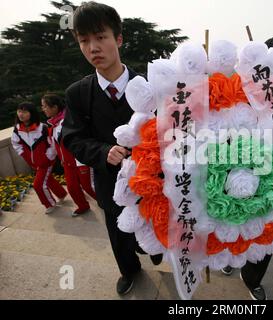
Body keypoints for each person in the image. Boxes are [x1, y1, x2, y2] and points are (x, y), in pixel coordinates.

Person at [61, 2, 162, 296]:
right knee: (118, 231)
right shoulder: (78, 93)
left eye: (100, 37)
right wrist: (103, 152)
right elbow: (73, 137)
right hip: (110, 181)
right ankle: (129, 271)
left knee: (156, 221)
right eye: (84, 40)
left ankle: (155, 250)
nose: (93, 47)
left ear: (118, 38)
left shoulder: (152, 84)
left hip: (154, 179)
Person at [221, 35, 273, 301]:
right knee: (236, 219)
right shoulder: (240, 87)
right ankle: (232, 255)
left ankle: (253, 278)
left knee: (270, 228)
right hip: (241, 169)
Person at [41, 93, 97, 217]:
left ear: (55, 107)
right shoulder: (53, 125)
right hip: (67, 163)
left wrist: (82, 159)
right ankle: (83, 206)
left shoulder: (69, 120)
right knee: (72, 188)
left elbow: (80, 140)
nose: (43, 109)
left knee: (89, 187)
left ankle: (106, 202)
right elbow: (56, 146)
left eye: (45, 106)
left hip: (81, 160)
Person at [11, 102, 68, 214]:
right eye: (19, 111)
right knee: (48, 179)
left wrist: (47, 157)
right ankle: (61, 193)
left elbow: (52, 144)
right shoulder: (17, 129)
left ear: (31, 113)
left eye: (25, 111)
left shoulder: (42, 128)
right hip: (32, 162)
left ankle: (49, 204)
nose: (21, 114)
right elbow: (15, 143)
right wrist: (24, 154)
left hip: (46, 162)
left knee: (38, 185)